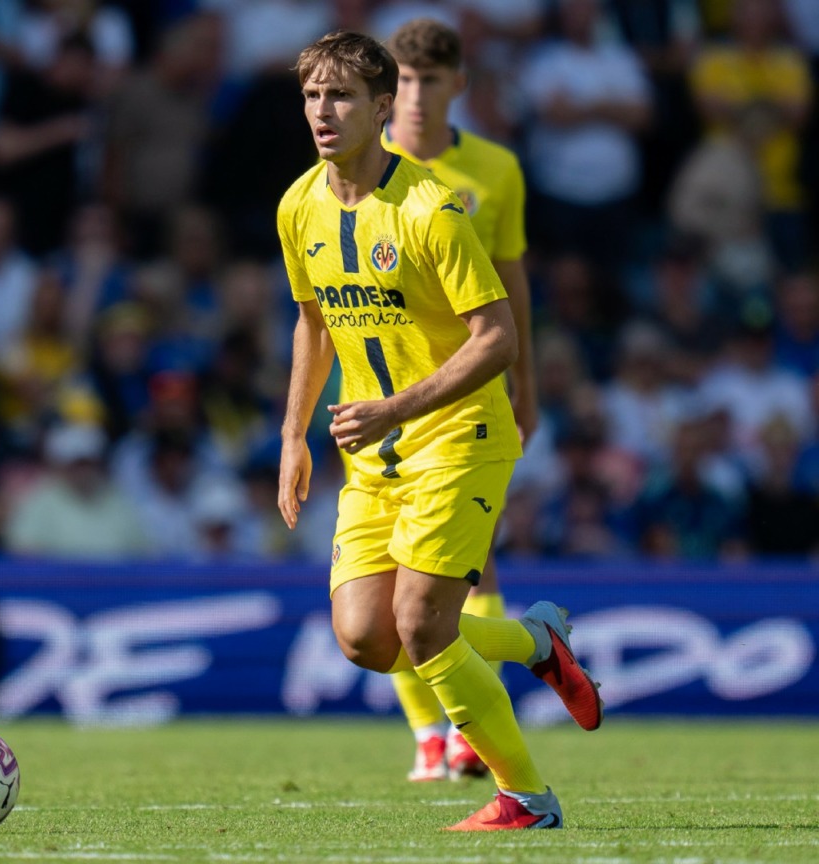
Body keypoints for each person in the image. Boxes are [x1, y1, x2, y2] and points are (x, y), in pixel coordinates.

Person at [274, 31, 601, 831]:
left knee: (422, 625)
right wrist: (292, 438)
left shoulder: (433, 210)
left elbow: (498, 338)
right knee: (367, 642)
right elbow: (313, 324)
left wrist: (394, 406)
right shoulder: (298, 204)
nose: (324, 111)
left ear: (383, 109)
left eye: (342, 96)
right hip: (374, 455)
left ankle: (526, 797)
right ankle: (532, 642)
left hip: (459, 436)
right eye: (314, 96)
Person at [378, 18, 538, 784]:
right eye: (403, 80)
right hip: (382, 398)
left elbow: (512, 287)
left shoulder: (495, 171)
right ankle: (428, 735)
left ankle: (471, 734)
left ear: (457, 85)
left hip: (468, 393)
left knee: (467, 569)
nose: (414, 95)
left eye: (428, 80)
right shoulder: (362, 167)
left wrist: (527, 385)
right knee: (390, 576)